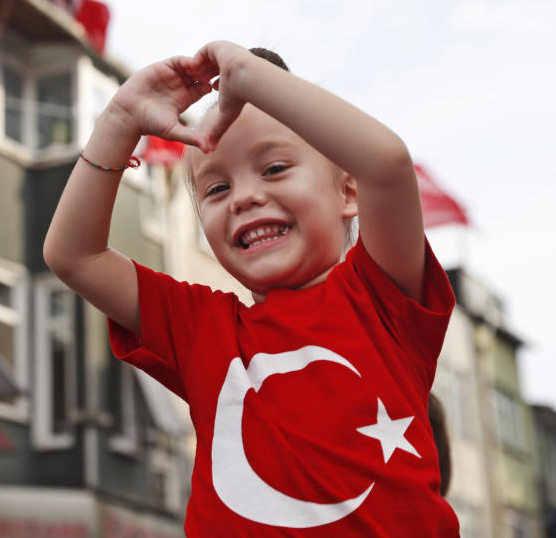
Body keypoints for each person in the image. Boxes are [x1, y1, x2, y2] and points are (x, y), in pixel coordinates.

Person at [44, 41, 458, 536]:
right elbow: (74, 256)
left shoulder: (383, 299)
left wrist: (248, 75)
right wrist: (119, 120)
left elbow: (387, 165)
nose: (245, 197)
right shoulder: (203, 329)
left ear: (349, 191)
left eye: (275, 168)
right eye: (216, 189)